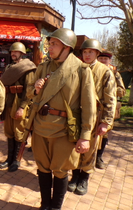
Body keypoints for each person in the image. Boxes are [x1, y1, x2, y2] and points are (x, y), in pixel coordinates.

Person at [26, 28, 97, 210]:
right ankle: (45, 205)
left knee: (60, 169)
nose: (50, 47)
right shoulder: (43, 67)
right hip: (41, 126)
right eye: (49, 44)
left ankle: (56, 207)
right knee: (42, 168)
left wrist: (85, 135)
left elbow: (89, 106)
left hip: (64, 129)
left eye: (54, 44)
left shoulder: (81, 70)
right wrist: (35, 89)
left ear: (67, 47)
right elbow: (29, 94)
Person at [67, 39, 116, 195]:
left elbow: (110, 98)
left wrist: (105, 122)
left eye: (90, 52)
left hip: (95, 115)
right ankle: (74, 176)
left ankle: (84, 178)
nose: (87, 55)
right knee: (75, 146)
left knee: (90, 149)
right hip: (76, 114)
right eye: (85, 52)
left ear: (97, 53)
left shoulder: (105, 71)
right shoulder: (76, 68)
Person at [0, 42, 36, 172]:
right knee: (9, 132)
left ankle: (16, 160)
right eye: (12, 52)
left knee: (19, 133)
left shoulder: (28, 67)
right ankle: (9, 159)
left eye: (16, 51)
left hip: (19, 103)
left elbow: (29, 90)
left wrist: (22, 107)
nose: (13, 53)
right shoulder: (9, 67)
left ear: (22, 53)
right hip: (9, 103)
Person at [96, 49, 126, 169]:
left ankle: (99, 157)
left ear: (109, 60)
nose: (103, 61)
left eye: (105, 59)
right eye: (101, 58)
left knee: (104, 134)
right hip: (94, 108)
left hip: (107, 108)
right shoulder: (94, 70)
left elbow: (122, 91)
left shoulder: (115, 74)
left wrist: (111, 88)